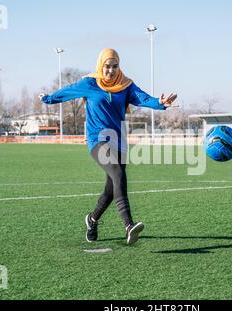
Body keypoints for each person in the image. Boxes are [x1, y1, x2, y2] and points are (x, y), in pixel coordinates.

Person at [39, 48, 177, 245]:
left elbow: (143, 98)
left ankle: (92, 219)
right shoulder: (89, 83)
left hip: (118, 139)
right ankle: (129, 226)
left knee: (111, 188)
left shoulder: (125, 85)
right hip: (98, 139)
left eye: (115, 66)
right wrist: (48, 98)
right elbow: (66, 92)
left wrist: (160, 103)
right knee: (118, 175)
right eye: (107, 66)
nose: (111, 71)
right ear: (100, 65)